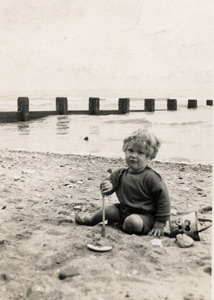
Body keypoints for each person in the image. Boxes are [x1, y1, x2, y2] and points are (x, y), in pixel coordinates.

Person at [75, 129, 170, 237]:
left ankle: (121, 225)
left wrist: (160, 223)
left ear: (149, 157)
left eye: (140, 152)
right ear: (125, 150)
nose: (134, 155)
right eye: (130, 150)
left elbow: (163, 199)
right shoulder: (120, 173)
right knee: (107, 210)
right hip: (124, 210)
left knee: (132, 222)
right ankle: (91, 220)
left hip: (145, 217)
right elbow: (109, 183)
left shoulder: (151, 177)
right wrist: (107, 185)